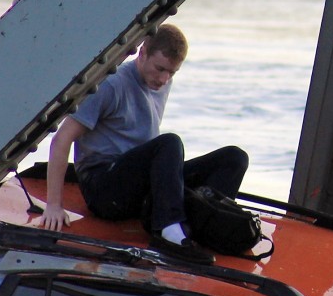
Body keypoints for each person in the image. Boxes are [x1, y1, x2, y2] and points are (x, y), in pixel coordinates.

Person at [40, 24, 248, 264]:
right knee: (169, 143)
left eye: (171, 72)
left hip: (143, 183)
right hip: (105, 188)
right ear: (142, 53)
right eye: (159, 68)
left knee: (234, 158)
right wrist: (54, 205)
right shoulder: (110, 85)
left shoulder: (162, 81)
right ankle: (168, 234)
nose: (163, 79)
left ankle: (206, 224)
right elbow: (61, 140)